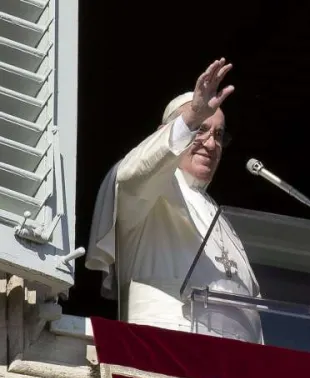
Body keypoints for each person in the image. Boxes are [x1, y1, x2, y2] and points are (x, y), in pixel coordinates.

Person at [85, 58, 263, 344]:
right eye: (200, 130)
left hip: (238, 366)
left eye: (218, 135)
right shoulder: (149, 193)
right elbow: (129, 175)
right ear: (165, 133)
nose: (211, 143)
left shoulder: (224, 220)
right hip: (168, 348)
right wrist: (192, 115)